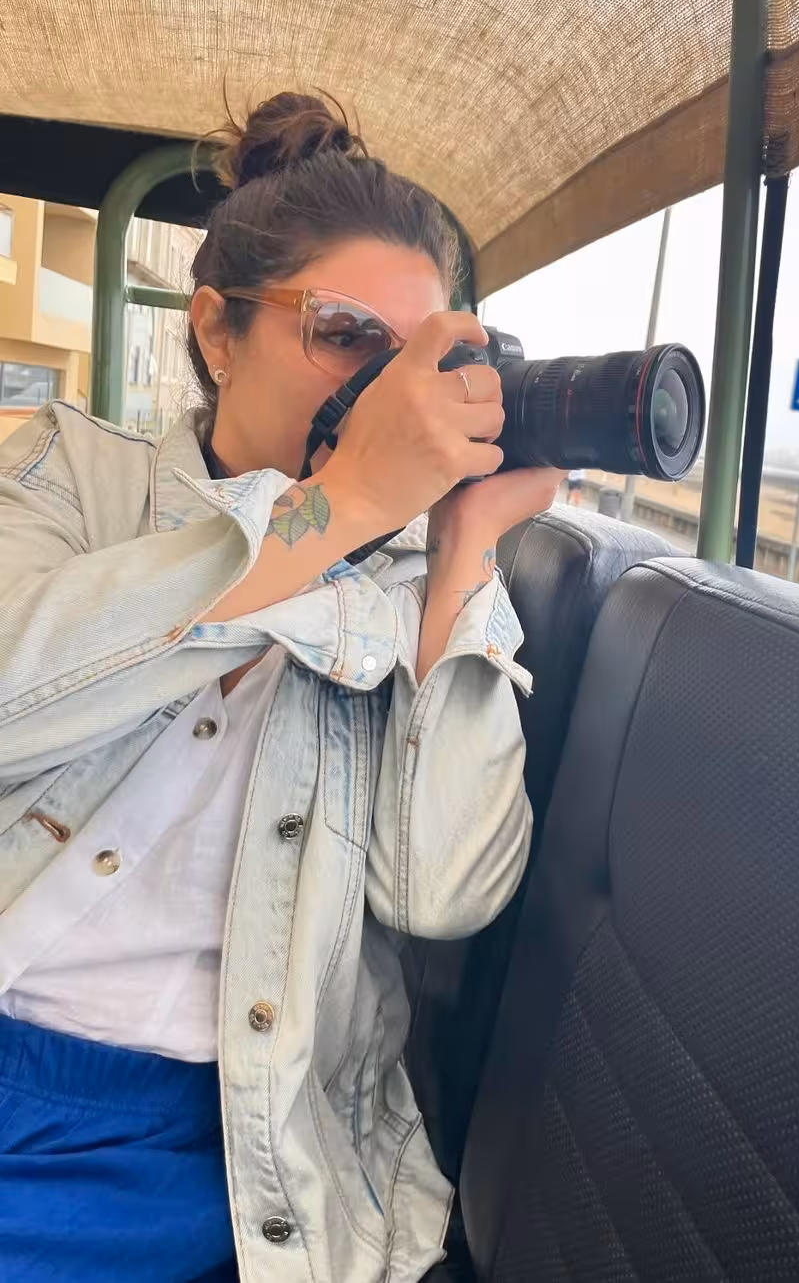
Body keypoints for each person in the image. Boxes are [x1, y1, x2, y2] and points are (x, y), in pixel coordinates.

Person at [0, 94, 562, 1283]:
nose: (385, 390)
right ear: (218, 331)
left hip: (208, 1134)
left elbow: (441, 896)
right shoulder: (72, 472)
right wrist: (339, 505)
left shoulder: (413, 593)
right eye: (347, 335)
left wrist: (462, 554)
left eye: (418, 360)